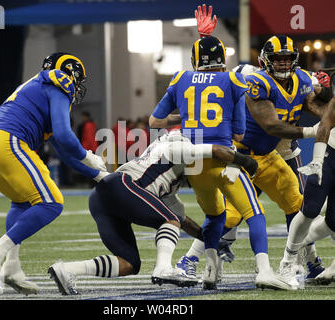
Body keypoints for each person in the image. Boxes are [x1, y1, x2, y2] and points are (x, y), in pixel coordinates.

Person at [175, 5, 333, 287]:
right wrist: (314, 130)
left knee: (300, 205)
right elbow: (271, 124)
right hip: (238, 156)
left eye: (287, 59)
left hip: (269, 154)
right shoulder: (253, 80)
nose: (283, 64)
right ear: (264, 61)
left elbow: (319, 101)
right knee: (232, 214)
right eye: (278, 60)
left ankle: (310, 263)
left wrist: (328, 98)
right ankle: (188, 260)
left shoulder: (301, 79)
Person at [149, 35, 295, 290]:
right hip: (224, 159)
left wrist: (185, 117)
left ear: (195, 59)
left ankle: (210, 270)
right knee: (254, 214)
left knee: (215, 216)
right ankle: (264, 271)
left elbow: (154, 122)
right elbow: (239, 134)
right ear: (222, 59)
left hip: (194, 164)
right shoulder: (233, 80)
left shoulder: (180, 78)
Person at [47, 130, 259, 295]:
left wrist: (214, 242)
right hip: (122, 185)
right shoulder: (176, 148)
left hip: (103, 198)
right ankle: (163, 268)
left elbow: (185, 223)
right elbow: (214, 150)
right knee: (169, 220)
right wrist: (244, 160)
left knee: (129, 264)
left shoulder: (166, 182)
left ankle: (67, 270)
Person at [0, 52, 108, 295]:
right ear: (71, 74)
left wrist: (96, 175)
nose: (77, 87)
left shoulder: (39, 87)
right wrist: (88, 155)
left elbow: (65, 151)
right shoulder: (59, 82)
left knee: (24, 201)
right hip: (7, 142)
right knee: (52, 203)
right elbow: (67, 138)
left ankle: (11, 267)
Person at [279, 97, 335, 284]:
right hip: (331, 153)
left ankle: (303, 248)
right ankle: (287, 262)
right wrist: (318, 160)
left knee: (333, 222)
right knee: (310, 208)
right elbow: (325, 123)